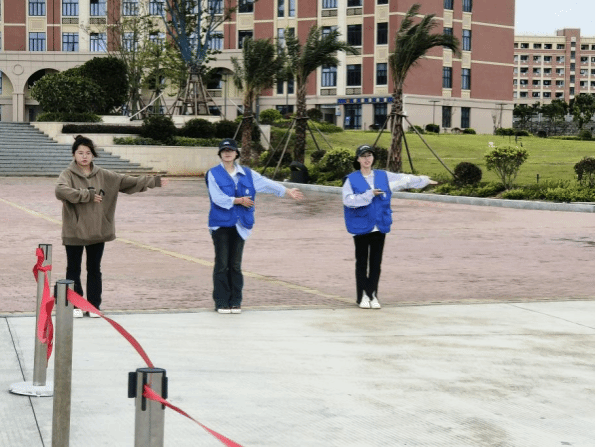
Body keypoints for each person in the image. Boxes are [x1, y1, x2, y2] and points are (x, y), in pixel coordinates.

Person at [55, 135, 167, 318]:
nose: (84, 156)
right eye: (80, 153)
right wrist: (87, 195)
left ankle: (93, 305)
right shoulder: (67, 174)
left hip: (98, 230)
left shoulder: (104, 175)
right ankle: (76, 305)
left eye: (88, 153)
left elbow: (128, 181)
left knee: (94, 269)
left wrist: (153, 181)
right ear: (74, 154)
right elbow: (60, 190)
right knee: (73, 269)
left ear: (93, 155)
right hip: (74, 231)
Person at [206, 138, 304, 314]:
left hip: (241, 224)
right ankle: (221, 302)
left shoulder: (247, 173)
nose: (227, 153)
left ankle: (235, 302)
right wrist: (239, 200)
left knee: (235, 265)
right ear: (220, 154)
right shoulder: (213, 173)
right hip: (220, 224)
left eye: (230, 150)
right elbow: (217, 198)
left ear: (236, 153)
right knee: (222, 264)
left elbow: (266, 183)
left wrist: (287, 191)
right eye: (224, 151)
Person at [342, 145, 437, 310]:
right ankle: (362, 296)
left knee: (376, 263)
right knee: (362, 262)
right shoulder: (351, 179)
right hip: (361, 225)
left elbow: (404, 179)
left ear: (373, 158)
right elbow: (348, 200)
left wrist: (423, 180)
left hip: (380, 224)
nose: (367, 159)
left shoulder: (383, 175)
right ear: (358, 159)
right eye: (363, 156)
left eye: (369, 155)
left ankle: (372, 295)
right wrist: (369, 194)